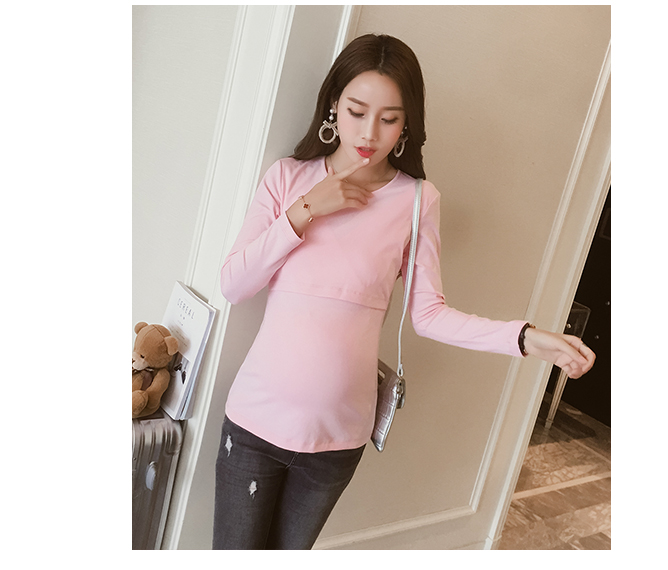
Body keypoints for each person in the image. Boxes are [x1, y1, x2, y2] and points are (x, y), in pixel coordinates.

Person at [213, 33, 595, 550]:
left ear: (406, 123)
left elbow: (430, 315)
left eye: (389, 118)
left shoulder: (417, 201)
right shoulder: (287, 178)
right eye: (356, 111)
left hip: (338, 440)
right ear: (333, 104)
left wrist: (527, 338)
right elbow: (234, 284)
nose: (369, 133)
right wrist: (306, 210)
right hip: (254, 424)